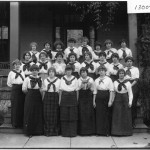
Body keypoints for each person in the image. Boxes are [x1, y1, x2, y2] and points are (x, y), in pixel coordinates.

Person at [22, 64, 43, 136]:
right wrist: (30, 94)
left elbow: (41, 88)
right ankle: (29, 132)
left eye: (36, 70)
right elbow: (24, 89)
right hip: (30, 95)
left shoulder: (40, 78)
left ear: (38, 71)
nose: (34, 72)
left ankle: (37, 131)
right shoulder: (27, 79)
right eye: (33, 70)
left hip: (38, 96)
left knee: (37, 112)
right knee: (30, 112)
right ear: (31, 71)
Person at [111, 69, 133, 136]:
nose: (121, 74)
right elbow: (113, 92)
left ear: (124, 74)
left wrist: (130, 102)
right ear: (118, 74)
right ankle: (117, 132)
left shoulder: (128, 83)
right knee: (117, 115)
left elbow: (130, 93)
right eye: (120, 73)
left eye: (122, 73)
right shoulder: (115, 82)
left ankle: (126, 132)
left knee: (125, 115)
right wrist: (112, 100)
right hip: (117, 99)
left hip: (125, 99)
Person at [94, 65, 114, 136]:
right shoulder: (96, 80)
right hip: (98, 97)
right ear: (98, 72)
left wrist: (110, 101)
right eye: (100, 70)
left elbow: (111, 90)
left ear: (105, 71)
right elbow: (95, 91)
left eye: (103, 70)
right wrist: (94, 101)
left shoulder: (109, 79)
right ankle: (99, 132)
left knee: (106, 115)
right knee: (99, 115)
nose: (101, 72)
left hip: (106, 96)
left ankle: (106, 132)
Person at [59, 65, 78, 137]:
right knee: (64, 115)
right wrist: (60, 100)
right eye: (67, 70)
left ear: (72, 71)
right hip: (64, 97)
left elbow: (76, 90)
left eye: (70, 70)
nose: (68, 72)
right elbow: (60, 90)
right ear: (65, 71)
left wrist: (76, 100)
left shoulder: (75, 78)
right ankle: (65, 133)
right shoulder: (62, 78)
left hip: (72, 97)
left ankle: (72, 133)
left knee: (72, 115)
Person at [42, 67, 61, 136]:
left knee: (55, 114)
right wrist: (43, 99)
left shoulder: (59, 80)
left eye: (52, 72)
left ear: (55, 73)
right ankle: (47, 131)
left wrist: (59, 100)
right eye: (50, 72)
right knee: (47, 115)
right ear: (48, 73)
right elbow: (44, 91)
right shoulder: (45, 80)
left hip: (55, 97)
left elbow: (60, 91)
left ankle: (55, 131)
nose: (51, 73)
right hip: (47, 97)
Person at [7, 59, 25, 128]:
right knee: (15, 106)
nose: (17, 66)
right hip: (15, 89)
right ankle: (15, 123)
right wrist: (15, 87)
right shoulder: (11, 73)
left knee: (21, 105)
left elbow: (24, 80)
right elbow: (9, 83)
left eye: (18, 65)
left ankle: (21, 123)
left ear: (20, 65)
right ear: (14, 65)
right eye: (16, 64)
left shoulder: (22, 72)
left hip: (22, 89)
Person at [78, 67, 95, 135]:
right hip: (82, 97)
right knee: (82, 113)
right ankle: (82, 131)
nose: (83, 73)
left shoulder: (91, 79)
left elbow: (93, 89)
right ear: (80, 73)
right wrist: (81, 85)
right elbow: (77, 88)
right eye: (82, 72)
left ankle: (89, 131)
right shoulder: (78, 80)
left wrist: (89, 86)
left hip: (88, 97)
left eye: (84, 72)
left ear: (87, 73)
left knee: (88, 113)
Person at [124, 56, 140, 128]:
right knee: (126, 102)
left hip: (133, 85)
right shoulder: (123, 69)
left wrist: (130, 86)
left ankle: (133, 121)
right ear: (126, 62)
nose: (129, 63)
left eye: (130, 61)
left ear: (132, 62)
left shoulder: (136, 69)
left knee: (133, 103)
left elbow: (136, 79)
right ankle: (126, 121)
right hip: (125, 85)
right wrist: (126, 86)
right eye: (128, 61)